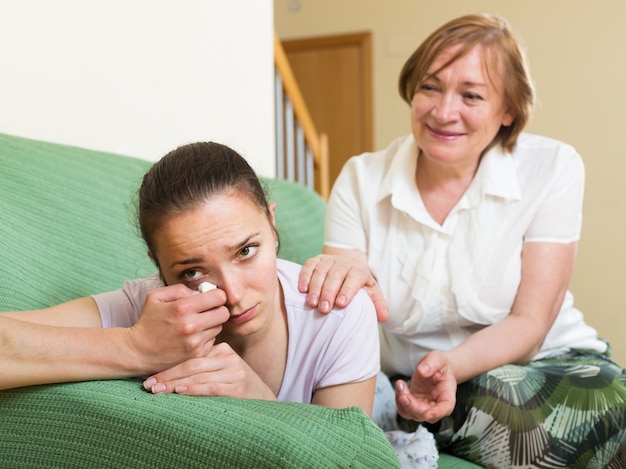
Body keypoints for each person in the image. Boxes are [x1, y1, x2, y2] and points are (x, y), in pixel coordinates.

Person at [298, 13, 626, 467]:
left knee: (551, 399)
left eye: (471, 95)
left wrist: (449, 368)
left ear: (508, 110)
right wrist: (346, 282)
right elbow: (342, 295)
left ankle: (420, 422)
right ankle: (414, 420)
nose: (443, 111)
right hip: (405, 381)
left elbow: (530, 323)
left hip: (541, 364)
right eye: (430, 87)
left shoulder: (552, 167)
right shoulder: (361, 177)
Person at [0, 141, 379, 416]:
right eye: (192, 272)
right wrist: (136, 348)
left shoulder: (337, 315)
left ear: (272, 222)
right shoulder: (147, 310)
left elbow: (351, 456)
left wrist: (263, 406)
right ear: (159, 267)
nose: (232, 295)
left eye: (246, 251)